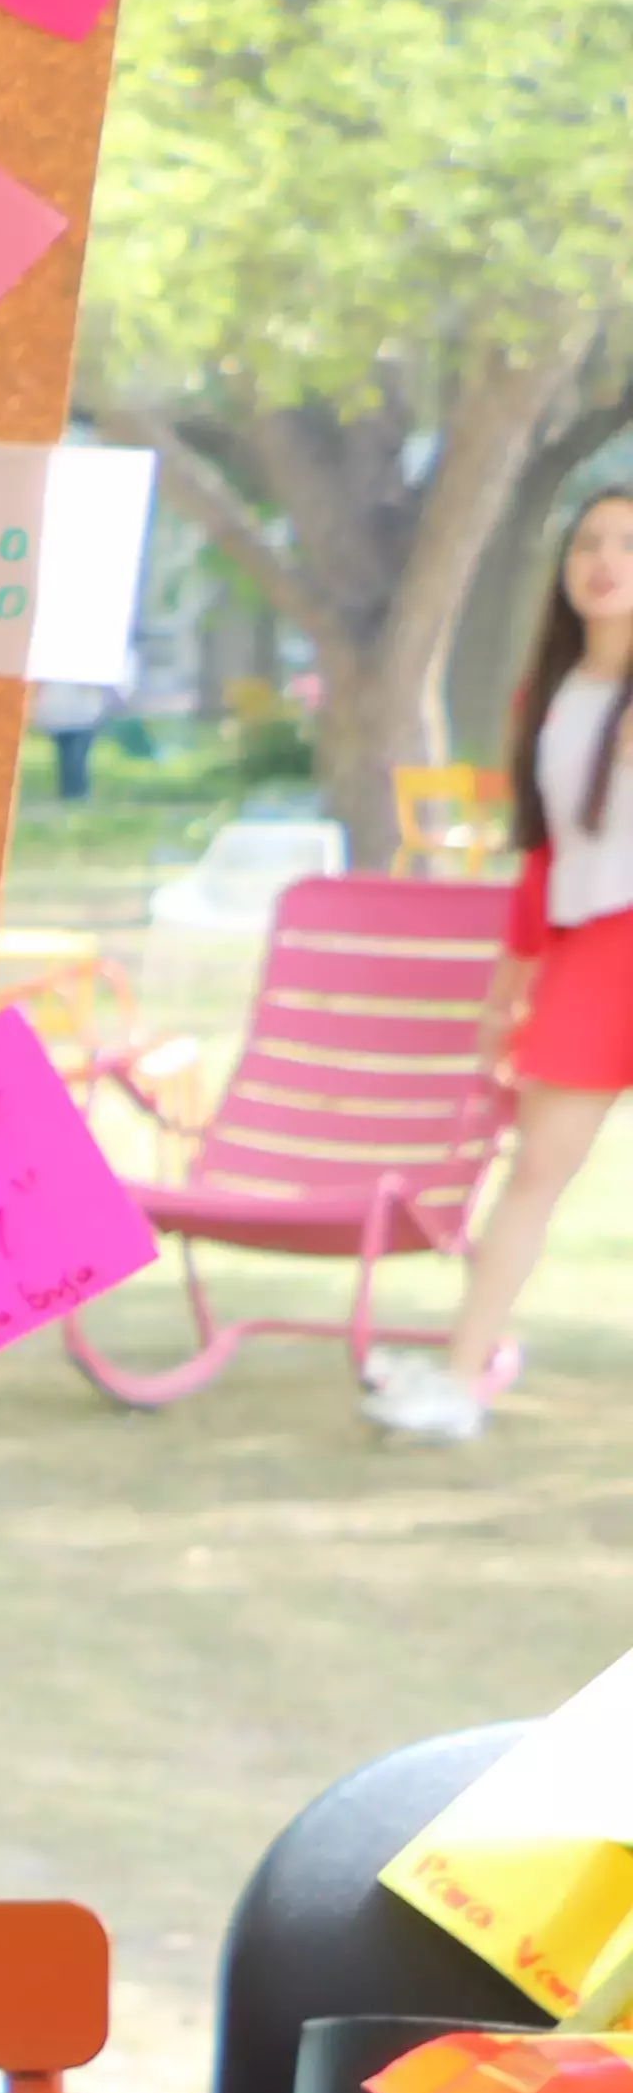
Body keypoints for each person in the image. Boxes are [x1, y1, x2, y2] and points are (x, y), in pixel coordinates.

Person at [378, 485, 633, 1445]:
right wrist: (505, 996)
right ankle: (458, 1377)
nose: (603, 561)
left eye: (626, 545)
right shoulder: (550, 695)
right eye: (588, 543)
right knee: (533, 1175)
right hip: (590, 952)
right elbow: (541, 858)